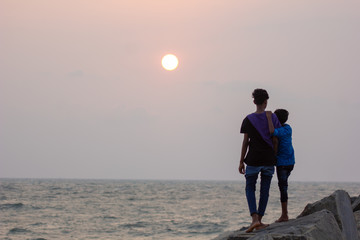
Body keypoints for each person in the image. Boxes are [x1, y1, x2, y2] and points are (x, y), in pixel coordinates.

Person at [239, 89, 281, 233]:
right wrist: (274, 156)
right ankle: (260, 220)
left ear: (254, 102)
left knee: (250, 188)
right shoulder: (273, 118)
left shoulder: (248, 119)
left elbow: (245, 142)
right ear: (266, 102)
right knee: (265, 190)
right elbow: (276, 139)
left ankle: (254, 219)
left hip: (253, 159)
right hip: (269, 159)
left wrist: (240, 161)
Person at [266, 109, 295, 222]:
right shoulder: (288, 128)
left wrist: (268, 118)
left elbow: (271, 131)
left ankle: (284, 215)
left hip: (283, 163)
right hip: (291, 162)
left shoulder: (281, 130)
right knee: (284, 186)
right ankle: (284, 213)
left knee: (283, 187)